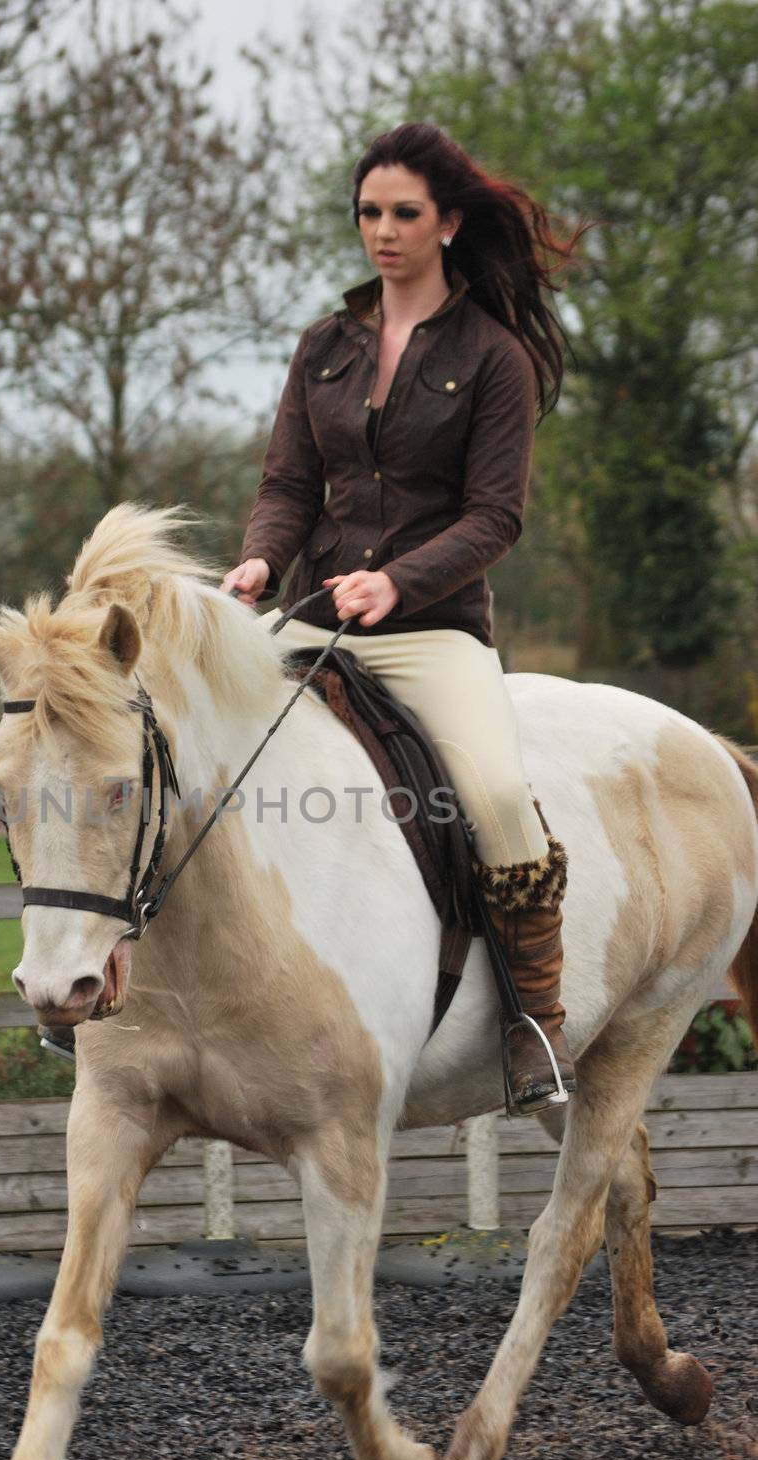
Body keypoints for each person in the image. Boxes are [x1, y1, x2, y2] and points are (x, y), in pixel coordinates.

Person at [222, 121, 592, 1114]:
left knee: (501, 796)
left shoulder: (496, 357)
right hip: (312, 619)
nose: (381, 232)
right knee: (193, 747)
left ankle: (533, 1030)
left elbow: (495, 517)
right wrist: (261, 554)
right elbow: (289, 485)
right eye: (368, 214)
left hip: (434, 632)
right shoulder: (324, 347)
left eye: (403, 214)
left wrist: (400, 582)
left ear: (448, 223)